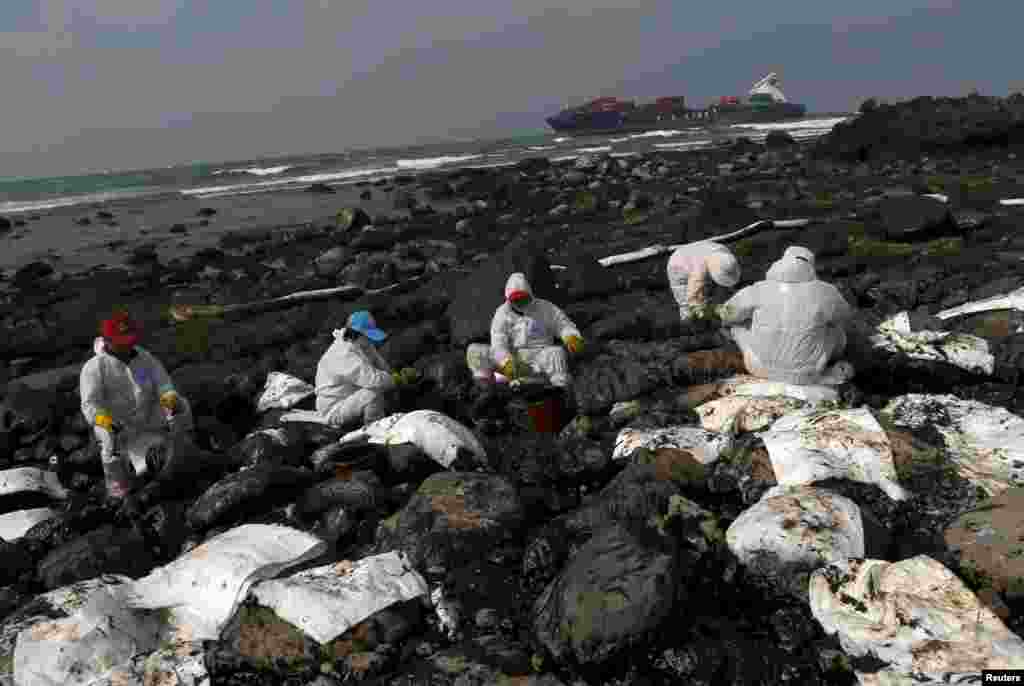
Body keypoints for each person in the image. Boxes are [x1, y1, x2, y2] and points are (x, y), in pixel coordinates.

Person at [79, 311, 195, 500]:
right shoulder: (94, 368)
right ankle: (118, 488)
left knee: (181, 404)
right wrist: (105, 421)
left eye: (129, 340)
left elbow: (163, 384)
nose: (127, 345)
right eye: (121, 341)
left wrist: (169, 401)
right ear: (107, 341)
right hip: (118, 424)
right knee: (108, 439)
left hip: (148, 414)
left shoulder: (145, 357)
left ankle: (185, 446)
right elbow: (90, 405)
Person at [717, 246, 855, 386]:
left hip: (758, 367)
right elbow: (845, 316)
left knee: (737, 325)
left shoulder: (759, 288)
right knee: (835, 329)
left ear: (782, 262)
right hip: (807, 374)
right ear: (811, 267)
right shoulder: (826, 292)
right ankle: (832, 361)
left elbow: (726, 313)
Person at [466, 272, 585, 392]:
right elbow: (498, 343)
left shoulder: (546, 308)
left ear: (530, 293)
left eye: (522, 297)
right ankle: (484, 388)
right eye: (515, 299)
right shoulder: (502, 313)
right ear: (508, 298)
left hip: (539, 357)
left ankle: (559, 390)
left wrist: (571, 337)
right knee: (475, 351)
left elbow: (563, 325)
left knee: (556, 353)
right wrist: (506, 362)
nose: (519, 301)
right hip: (513, 361)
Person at [315, 310, 419, 429]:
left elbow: (382, 368)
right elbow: (374, 380)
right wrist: (398, 379)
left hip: (352, 399)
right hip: (334, 409)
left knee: (386, 389)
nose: (370, 339)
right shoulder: (342, 353)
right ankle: (373, 431)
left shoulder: (362, 344)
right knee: (373, 393)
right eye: (367, 335)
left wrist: (396, 374)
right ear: (356, 333)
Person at [666, 240, 742, 324]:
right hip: (678, 266)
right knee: (684, 294)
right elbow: (693, 289)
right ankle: (686, 318)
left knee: (705, 288)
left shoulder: (724, 255)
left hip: (693, 254)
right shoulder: (699, 272)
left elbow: (730, 271)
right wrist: (694, 304)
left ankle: (705, 304)